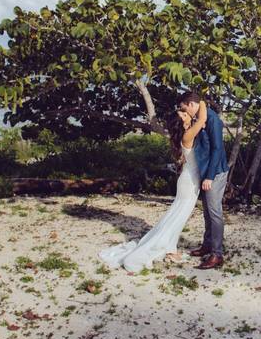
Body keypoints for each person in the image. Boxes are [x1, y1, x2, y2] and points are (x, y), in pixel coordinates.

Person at [97, 100, 208, 273]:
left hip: (188, 180)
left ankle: (171, 248)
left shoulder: (186, 133)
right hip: (189, 182)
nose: (187, 113)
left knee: (177, 216)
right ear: (183, 122)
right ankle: (170, 249)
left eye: (186, 112)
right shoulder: (187, 136)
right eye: (184, 114)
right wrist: (200, 100)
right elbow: (201, 120)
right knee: (178, 217)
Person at [179, 91, 229, 270]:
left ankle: (217, 254)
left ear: (192, 105)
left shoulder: (213, 119)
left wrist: (209, 176)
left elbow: (217, 149)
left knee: (215, 213)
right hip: (205, 170)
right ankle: (207, 245)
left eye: (186, 109)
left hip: (215, 172)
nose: (187, 113)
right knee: (207, 211)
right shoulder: (199, 117)